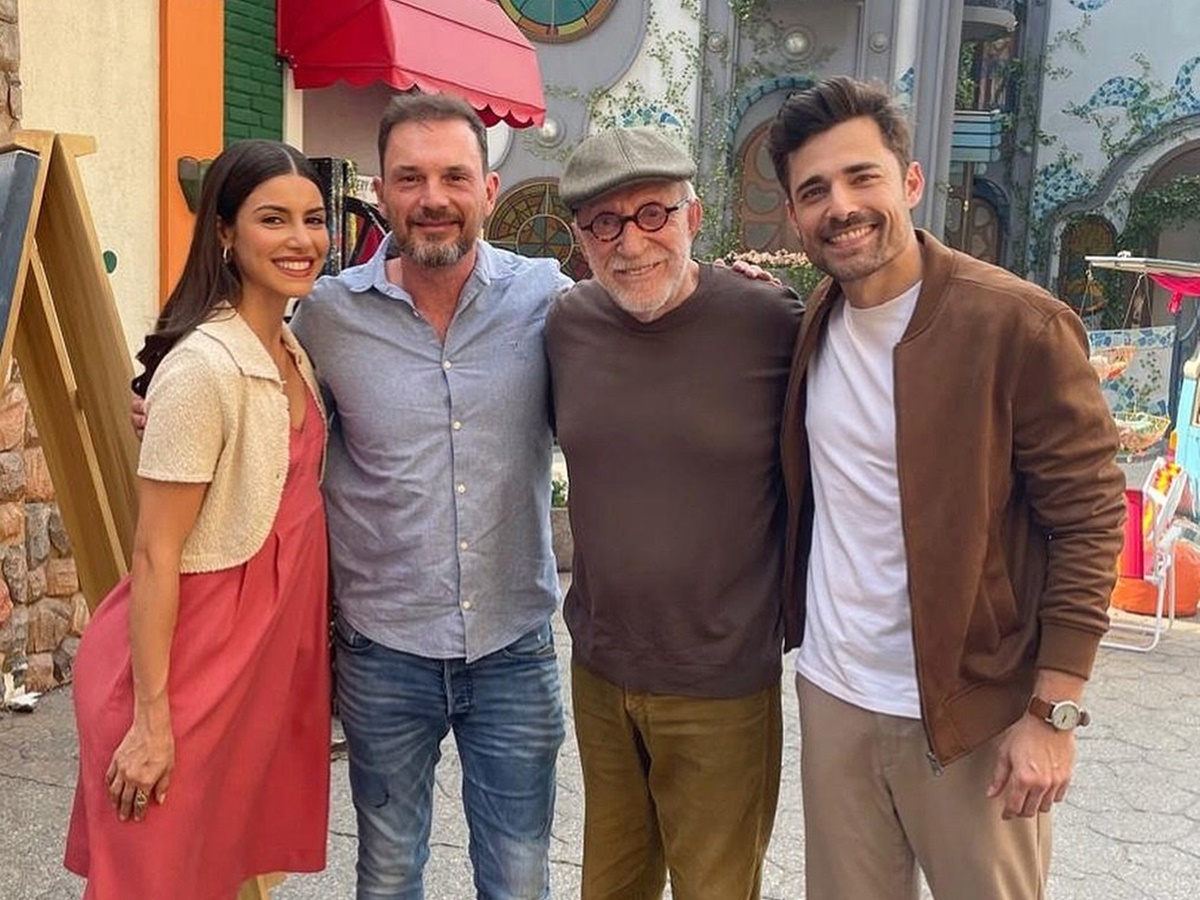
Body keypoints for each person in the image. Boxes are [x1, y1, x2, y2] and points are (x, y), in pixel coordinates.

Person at [766, 76, 1126, 899]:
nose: (842, 207)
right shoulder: (816, 320)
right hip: (836, 694)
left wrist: (1053, 713)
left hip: (975, 711)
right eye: (814, 190)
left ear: (911, 182)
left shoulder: (1014, 324)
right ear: (794, 216)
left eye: (863, 178)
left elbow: (1091, 517)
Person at [289, 93, 570, 899]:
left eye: (454, 175)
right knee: (385, 872)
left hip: (514, 645)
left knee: (518, 878)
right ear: (381, 192)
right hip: (385, 650)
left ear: (488, 189)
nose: (432, 198)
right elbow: (260, 389)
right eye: (409, 177)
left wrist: (739, 295)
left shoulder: (547, 298)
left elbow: (649, 341)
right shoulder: (328, 317)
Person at [65, 139, 332, 899]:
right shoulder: (204, 365)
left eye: (312, 219)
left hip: (261, 660)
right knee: (155, 877)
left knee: (223, 872)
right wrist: (152, 721)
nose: (300, 240)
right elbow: (154, 554)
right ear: (224, 232)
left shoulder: (288, 348)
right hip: (190, 662)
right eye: (272, 219)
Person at [546, 126, 802, 899]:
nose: (631, 243)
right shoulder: (567, 326)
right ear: (581, 240)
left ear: (694, 220)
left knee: (716, 890)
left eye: (653, 214)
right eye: (605, 223)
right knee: (610, 887)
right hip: (601, 669)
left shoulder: (770, 321)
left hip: (722, 681)